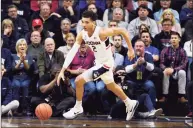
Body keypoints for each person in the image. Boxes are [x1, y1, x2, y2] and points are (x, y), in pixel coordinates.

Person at [57, 10, 138, 121]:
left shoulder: (102, 32)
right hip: (99, 63)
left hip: (107, 64)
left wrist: (130, 49)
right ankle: (129, 102)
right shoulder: (82, 34)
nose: (83, 25)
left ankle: (78, 107)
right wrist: (63, 69)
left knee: (78, 80)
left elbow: (123, 30)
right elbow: (72, 51)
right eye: (82, 22)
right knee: (111, 86)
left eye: (86, 22)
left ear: (93, 23)